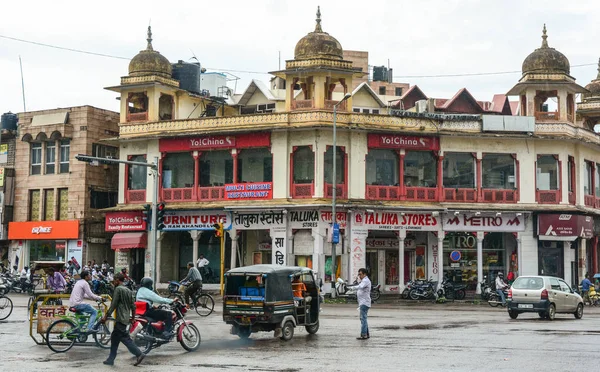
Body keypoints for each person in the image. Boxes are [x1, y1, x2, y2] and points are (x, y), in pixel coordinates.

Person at [101, 272, 145, 366]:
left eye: (114, 280)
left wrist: (106, 316)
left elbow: (113, 304)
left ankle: (139, 354)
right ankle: (111, 359)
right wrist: (132, 318)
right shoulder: (128, 290)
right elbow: (133, 306)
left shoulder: (118, 289)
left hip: (120, 318)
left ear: (117, 280)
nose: (113, 282)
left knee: (125, 338)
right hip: (125, 318)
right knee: (114, 337)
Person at [354, 268, 371, 340]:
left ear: (364, 274)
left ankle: (364, 334)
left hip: (364, 302)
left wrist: (352, 288)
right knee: (364, 318)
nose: (359, 276)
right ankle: (366, 333)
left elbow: (360, 286)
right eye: (358, 274)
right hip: (363, 302)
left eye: (360, 274)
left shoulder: (365, 281)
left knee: (363, 318)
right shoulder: (364, 281)